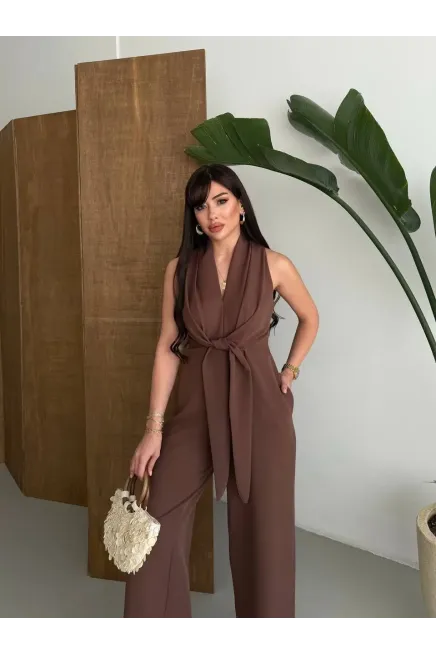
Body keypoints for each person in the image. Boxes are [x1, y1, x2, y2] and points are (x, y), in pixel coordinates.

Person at [123, 163, 319, 624]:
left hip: (262, 411)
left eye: (221, 200)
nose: (211, 213)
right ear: (193, 217)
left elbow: (310, 317)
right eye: (200, 206)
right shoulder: (179, 271)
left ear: (240, 205)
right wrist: (153, 428)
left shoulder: (274, 265)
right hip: (196, 409)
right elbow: (168, 345)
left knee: (266, 537)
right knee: (153, 520)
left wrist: (289, 370)